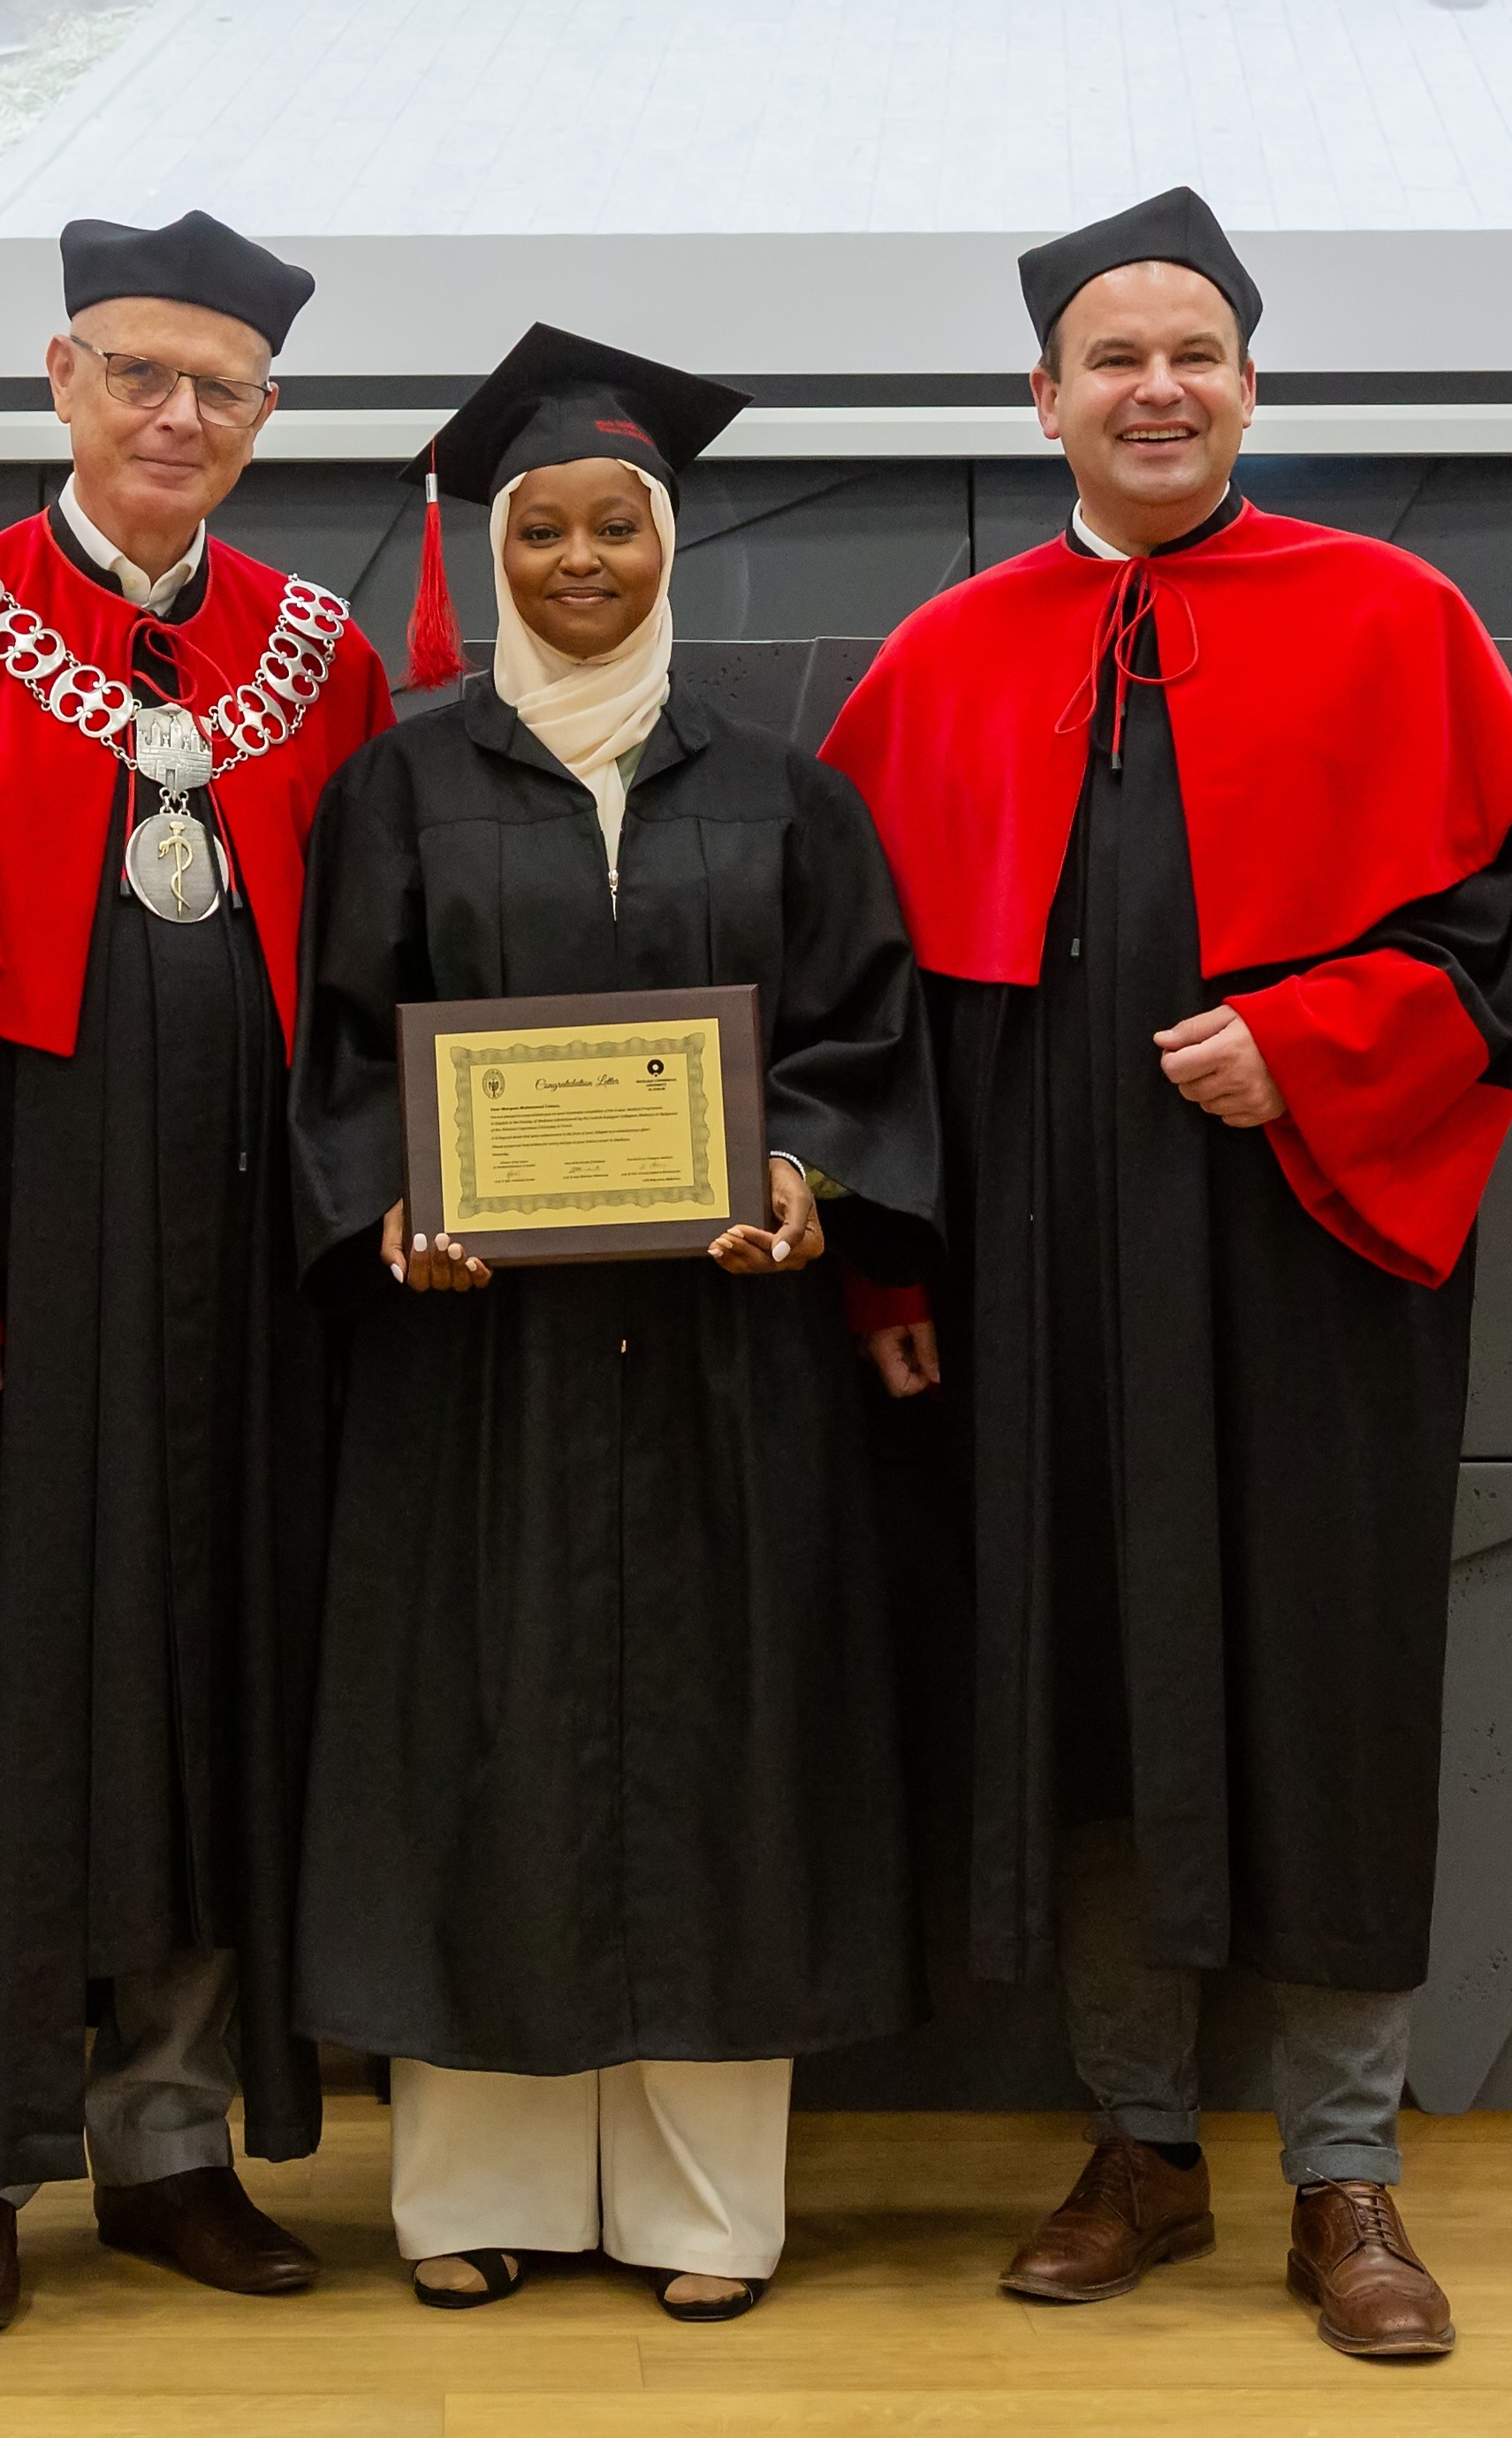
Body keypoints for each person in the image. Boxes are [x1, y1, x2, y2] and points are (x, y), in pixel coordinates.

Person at [818, 187, 1512, 2361]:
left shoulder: (1394, 618)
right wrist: (882, 1279)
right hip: (1031, 1281)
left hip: (1306, 1262)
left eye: (1194, 356)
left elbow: (1494, 950)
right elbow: (857, 1019)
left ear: (1248, 384)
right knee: (1079, 1685)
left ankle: (1344, 2174)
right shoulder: (941, 658)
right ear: (1040, 397)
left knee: (1322, 1690)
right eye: (1113, 359)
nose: (1156, 389)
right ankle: (1138, 2144)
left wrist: (1310, 1044)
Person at [0, 209, 395, 2337]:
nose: (175, 414)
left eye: (219, 387)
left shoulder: (318, 655)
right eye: (139, 373)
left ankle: (166, 2141)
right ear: (60, 379)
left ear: (264, 416)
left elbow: (369, 996)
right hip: (12, 1291)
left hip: (244, 1292)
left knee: (216, 1687)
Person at [287, 329, 943, 2324]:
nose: (578, 560)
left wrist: (801, 1177)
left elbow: (861, 1037)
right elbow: (339, 1049)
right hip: (475, 1365)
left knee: (716, 1749)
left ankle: (699, 2208)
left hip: (723, 1364)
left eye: (616, 526)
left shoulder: (782, 794)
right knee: (476, 1741)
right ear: (494, 551)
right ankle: (471, 2190)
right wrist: (393, 1206)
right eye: (541, 528)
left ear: (672, 543)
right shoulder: (400, 784)